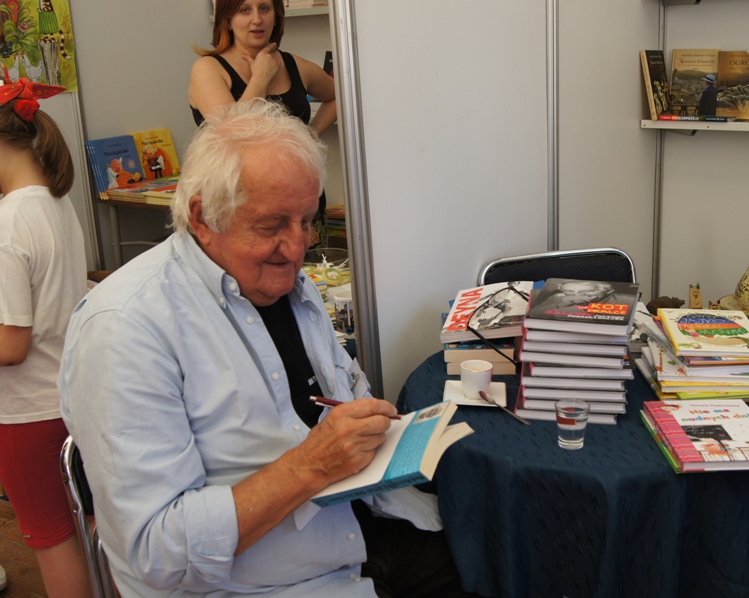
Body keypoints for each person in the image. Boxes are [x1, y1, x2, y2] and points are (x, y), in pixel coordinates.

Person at [59, 99, 475, 598]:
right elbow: (156, 553)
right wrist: (309, 466)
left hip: (359, 529)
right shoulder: (125, 329)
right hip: (260, 583)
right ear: (202, 217)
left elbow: (340, 392)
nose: (298, 248)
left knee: (499, 557)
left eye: (306, 220)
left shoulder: (287, 285)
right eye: (272, 225)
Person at [0, 70, 90, 597]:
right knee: (84, 529)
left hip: (23, 415)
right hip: (65, 399)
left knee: (51, 539)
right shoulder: (54, 204)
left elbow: (9, 345)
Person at [188, 0, 336, 248]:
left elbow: (341, 94)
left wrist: (310, 134)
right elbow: (232, 130)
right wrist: (261, 77)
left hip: (300, 200)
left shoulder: (295, 65)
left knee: (309, 271)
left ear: (276, 16)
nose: (256, 19)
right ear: (227, 19)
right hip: (240, 205)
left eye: (264, 8)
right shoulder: (208, 69)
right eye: (244, 10)